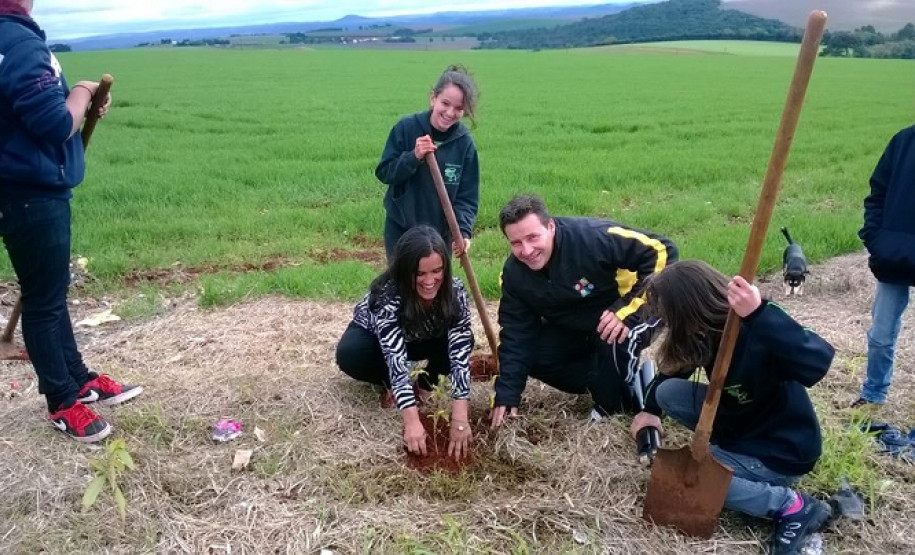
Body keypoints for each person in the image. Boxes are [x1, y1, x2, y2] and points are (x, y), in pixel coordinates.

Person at [0, 0, 142, 443]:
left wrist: (76, 104)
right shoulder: (18, 41)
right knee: (44, 300)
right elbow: (53, 123)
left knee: (50, 289)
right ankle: (61, 401)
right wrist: (80, 92)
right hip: (30, 191)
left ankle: (78, 379)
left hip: (15, 185)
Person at [632, 260, 834, 554]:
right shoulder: (703, 333)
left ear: (691, 310)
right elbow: (672, 371)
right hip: (740, 425)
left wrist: (759, 313)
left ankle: (794, 506)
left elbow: (817, 362)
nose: (669, 326)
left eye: (671, 318)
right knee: (667, 392)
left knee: (698, 485)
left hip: (779, 449)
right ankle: (727, 455)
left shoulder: (757, 330)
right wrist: (649, 411)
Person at [491, 194, 678, 428]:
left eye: (533, 237)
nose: (526, 250)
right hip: (582, 322)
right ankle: (608, 382)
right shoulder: (514, 275)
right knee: (535, 355)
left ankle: (610, 405)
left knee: (610, 336)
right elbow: (516, 334)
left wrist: (627, 310)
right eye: (516, 243)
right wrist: (507, 394)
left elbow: (663, 250)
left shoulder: (593, 237)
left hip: (633, 308)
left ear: (550, 226)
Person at [336, 225, 474, 460]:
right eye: (420, 274)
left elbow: (460, 356)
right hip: (377, 340)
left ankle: (424, 385)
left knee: (464, 341)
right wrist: (412, 421)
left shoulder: (455, 292)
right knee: (350, 353)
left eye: (437, 271)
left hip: (425, 335)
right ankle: (391, 384)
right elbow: (394, 356)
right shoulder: (388, 296)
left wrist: (460, 419)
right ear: (405, 271)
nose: (430, 281)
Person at [375, 65, 480, 259]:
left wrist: (463, 231)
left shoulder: (464, 144)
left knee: (433, 285)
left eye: (458, 108)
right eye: (445, 103)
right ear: (433, 98)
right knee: (402, 284)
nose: (450, 112)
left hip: (439, 235)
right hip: (401, 228)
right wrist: (412, 157)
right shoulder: (406, 128)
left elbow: (467, 197)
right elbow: (385, 172)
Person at [852, 124, 915, 408]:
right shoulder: (903, 141)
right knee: (881, 334)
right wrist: (875, 238)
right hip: (894, 255)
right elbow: (877, 192)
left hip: (894, 250)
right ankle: (873, 393)